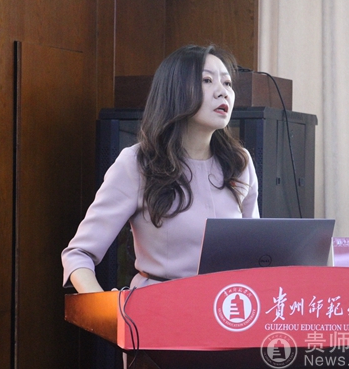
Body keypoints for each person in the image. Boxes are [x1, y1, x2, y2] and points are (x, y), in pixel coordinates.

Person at [62, 44, 260, 293]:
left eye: (227, 83)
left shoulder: (239, 162)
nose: (223, 93)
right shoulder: (137, 163)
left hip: (228, 306)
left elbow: (257, 253)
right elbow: (78, 254)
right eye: (207, 80)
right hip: (159, 306)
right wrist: (105, 309)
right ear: (175, 90)